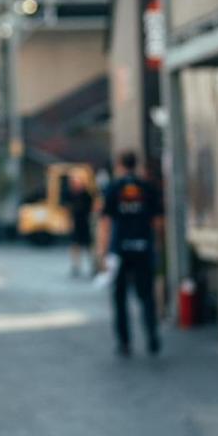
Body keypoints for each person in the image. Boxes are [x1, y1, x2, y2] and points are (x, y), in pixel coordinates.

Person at [96, 151, 164, 357]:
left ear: (119, 165)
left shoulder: (113, 189)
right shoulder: (148, 188)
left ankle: (124, 342)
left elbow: (105, 222)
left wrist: (102, 251)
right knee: (147, 296)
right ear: (136, 165)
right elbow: (159, 223)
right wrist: (157, 246)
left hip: (120, 250)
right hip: (143, 248)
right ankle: (152, 337)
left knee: (120, 297)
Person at [64, 168, 95, 278]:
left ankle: (93, 266)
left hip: (85, 222)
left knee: (89, 246)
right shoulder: (69, 194)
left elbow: (92, 208)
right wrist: (69, 222)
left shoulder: (86, 194)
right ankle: (76, 266)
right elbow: (67, 209)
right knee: (75, 245)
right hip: (75, 222)